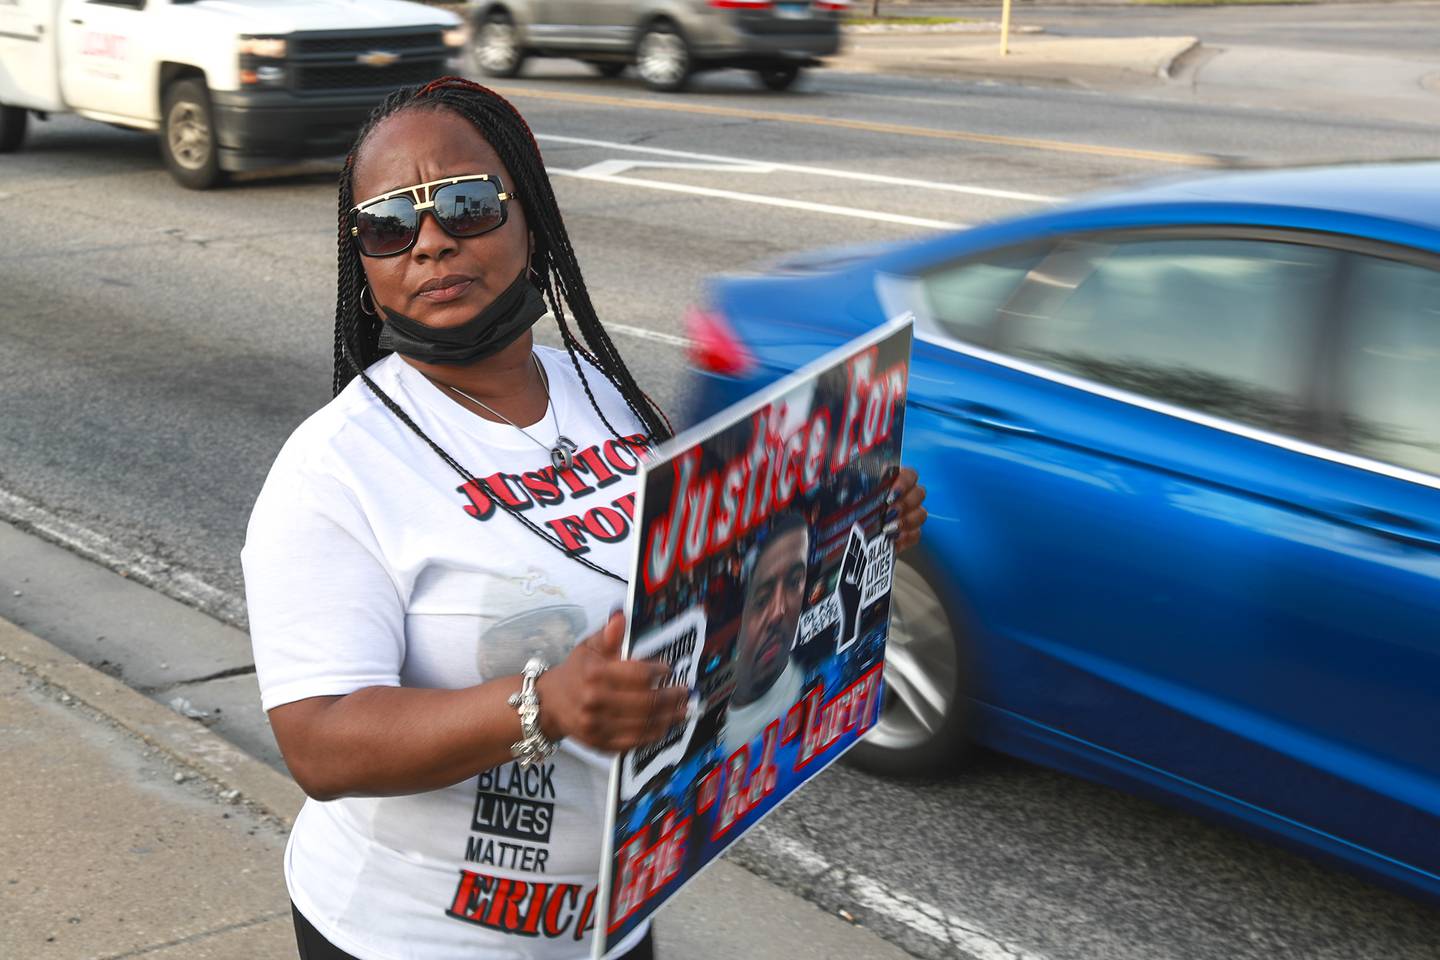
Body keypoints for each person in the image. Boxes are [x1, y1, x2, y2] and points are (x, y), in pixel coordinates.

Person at [242, 77, 929, 960]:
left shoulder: (597, 391)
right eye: (388, 224)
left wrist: (851, 518)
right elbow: (322, 744)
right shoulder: (332, 469)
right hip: (412, 938)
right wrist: (543, 706)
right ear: (365, 268)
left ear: (530, 219)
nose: (431, 242)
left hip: (613, 916)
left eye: (464, 204)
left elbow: (709, 577)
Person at [718, 514, 810, 760]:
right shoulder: (712, 737)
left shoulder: (810, 681)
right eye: (761, 599)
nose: (779, 611)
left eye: (794, 582)